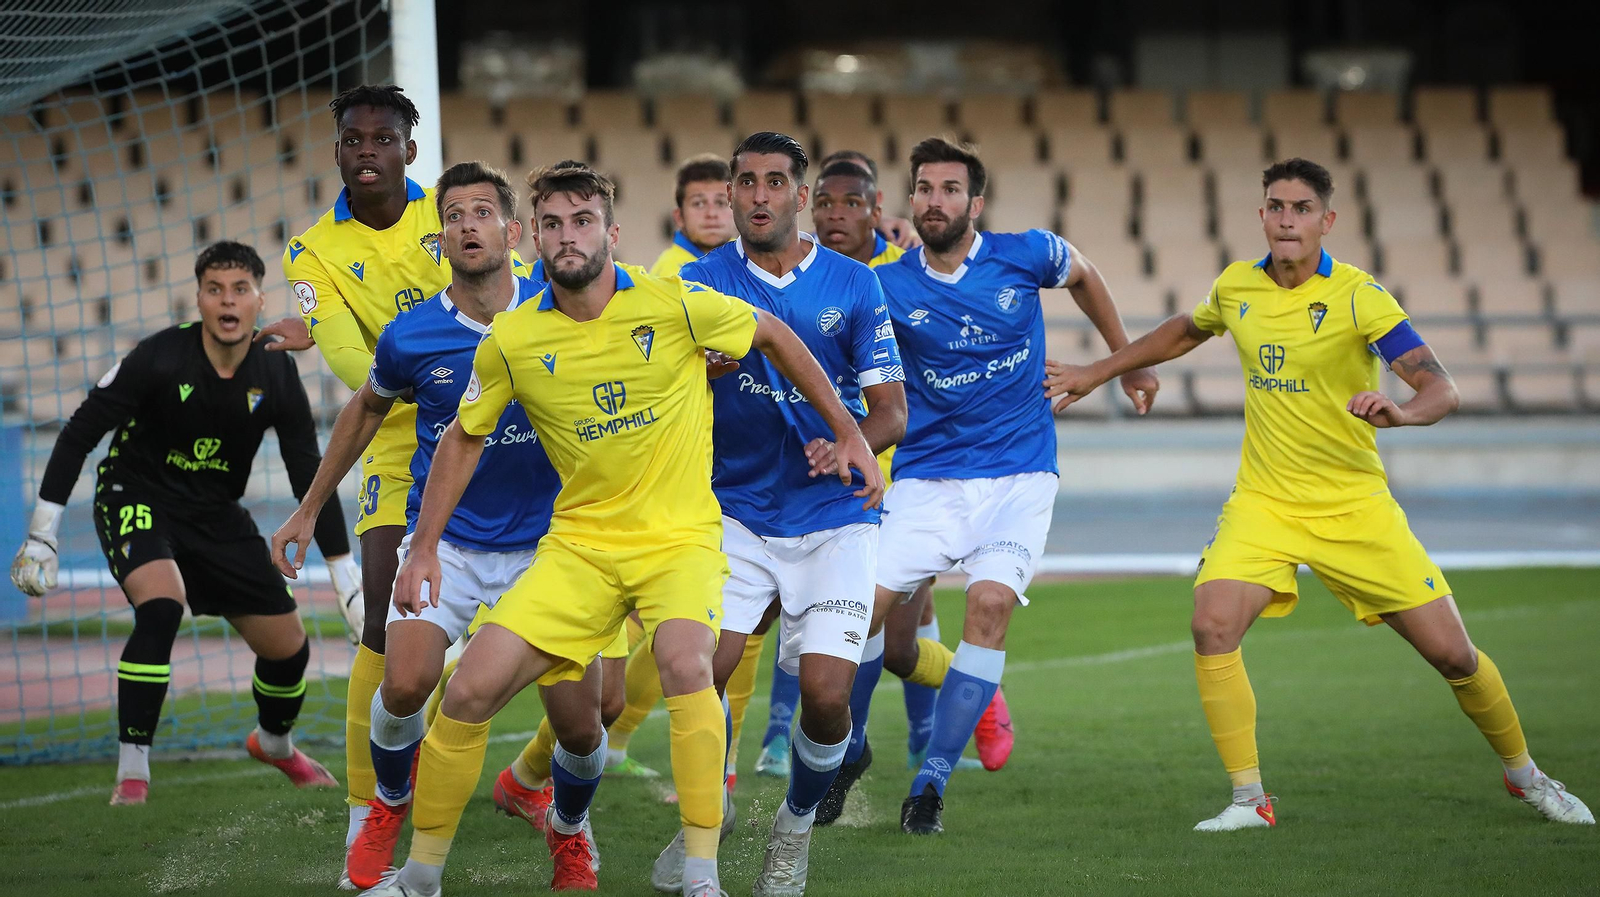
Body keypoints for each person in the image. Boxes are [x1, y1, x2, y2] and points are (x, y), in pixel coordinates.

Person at [361, 161, 881, 897]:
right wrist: (422, 548)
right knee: (468, 692)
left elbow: (772, 334)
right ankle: (418, 878)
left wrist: (850, 434)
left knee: (683, 664)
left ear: (611, 230)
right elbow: (462, 438)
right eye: (552, 224)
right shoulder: (512, 337)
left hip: (678, 542)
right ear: (531, 238)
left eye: (582, 221)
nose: (567, 236)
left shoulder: (674, 302)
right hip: (578, 549)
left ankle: (701, 874)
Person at [1040, 157, 1594, 831]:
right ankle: (1250, 800)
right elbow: (1188, 328)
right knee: (1211, 624)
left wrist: (1403, 413)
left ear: (1326, 220)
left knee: (1454, 654)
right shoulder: (1238, 284)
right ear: (1262, 214)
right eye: (1276, 206)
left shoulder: (1361, 297)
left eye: (1301, 209)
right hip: (1265, 502)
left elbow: (1441, 387)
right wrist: (1102, 370)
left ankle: (1526, 775)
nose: (1286, 219)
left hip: (1355, 506)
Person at [271, 162, 607, 889]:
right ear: (440, 237)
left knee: (581, 726)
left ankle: (570, 830)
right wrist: (306, 508)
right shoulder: (412, 335)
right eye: (452, 215)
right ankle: (390, 803)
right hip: (445, 542)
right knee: (404, 683)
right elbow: (363, 410)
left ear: (512, 232)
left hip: (553, 548)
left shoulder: (566, 309)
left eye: (482, 212)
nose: (465, 225)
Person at [824, 137, 1159, 835]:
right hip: (927, 478)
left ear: (975, 203)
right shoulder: (889, 283)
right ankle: (848, 749)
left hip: (1019, 476)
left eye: (950, 189)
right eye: (924, 189)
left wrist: (1122, 361)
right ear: (910, 200)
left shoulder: (1026, 253)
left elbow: (1087, 274)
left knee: (988, 604)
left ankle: (931, 781)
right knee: (860, 615)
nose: (935, 201)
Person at [650, 131, 905, 896]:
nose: (759, 195)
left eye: (774, 182)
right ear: (728, 194)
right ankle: (707, 823)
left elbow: (892, 412)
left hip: (834, 517)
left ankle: (792, 831)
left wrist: (849, 441)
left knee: (828, 696)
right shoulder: (696, 282)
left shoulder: (857, 286)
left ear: (800, 195)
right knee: (701, 672)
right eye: (745, 181)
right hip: (731, 513)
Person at [9, 241, 352, 805]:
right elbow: (78, 432)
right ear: (198, 298)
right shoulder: (160, 357)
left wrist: (347, 581)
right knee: (163, 604)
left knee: (289, 648)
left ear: (260, 300)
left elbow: (307, 474)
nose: (227, 301)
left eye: (240, 290)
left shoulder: (276, 371)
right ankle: (133, 773)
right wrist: (43, 531)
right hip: (135, 494)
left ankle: (274, 744)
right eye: (215, 289)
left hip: (215, 514)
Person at [807, 154, 986, 777]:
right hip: (815, 480)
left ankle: (967, 702)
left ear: (875, 211)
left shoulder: (899, 273)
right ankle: (837, 755)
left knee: (898, 645)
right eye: (826, 203)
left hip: (902, 476)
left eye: (852, 204)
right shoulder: (794, 274)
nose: (837, 215)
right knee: (828, 635)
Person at [649, 153, 737, 277]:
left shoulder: (749, 258)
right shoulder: (671, 275)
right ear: (679, 217)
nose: (711, 213)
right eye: (699, 204)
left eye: (721, 202)